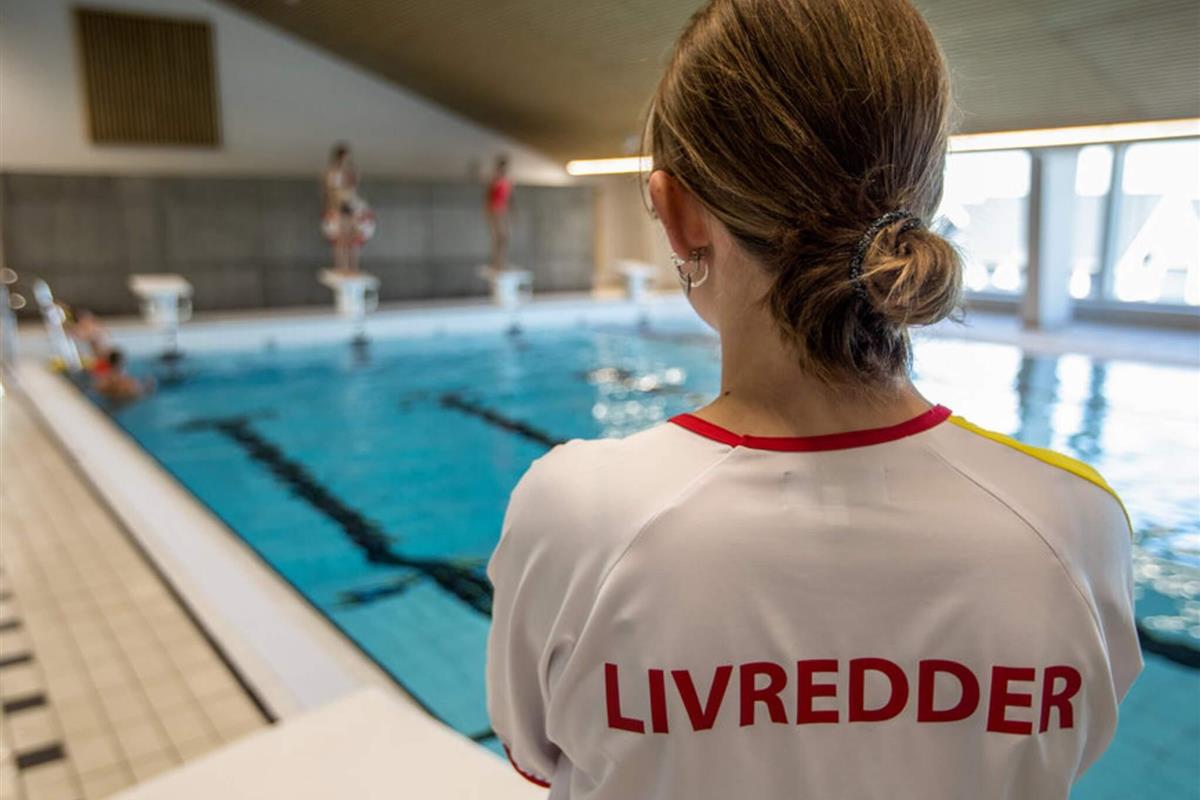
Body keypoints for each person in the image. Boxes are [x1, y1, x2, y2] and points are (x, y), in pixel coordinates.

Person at [485, 2, 1141, 799]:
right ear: (923, 197)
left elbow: (537, 755)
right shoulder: (1074, 524)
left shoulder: (576, 516)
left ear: (678, 213)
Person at [323, 142, 362, 273]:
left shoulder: (351, 171)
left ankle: (353, 267)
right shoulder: (333, 172)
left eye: (348, 158)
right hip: (339, 205)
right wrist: (331, 207)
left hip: (351, 204)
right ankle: (341, 267)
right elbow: (330, 191)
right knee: (341, 237)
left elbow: (354, 188)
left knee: (353, 236)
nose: (346, 161)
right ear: (339, 158)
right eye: (344, 158)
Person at [484, 155, 513, 272]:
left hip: (503, 211)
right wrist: (488, 212)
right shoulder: (495, 180)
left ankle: (501, 261)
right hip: (495, 211)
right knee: (499, 238)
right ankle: (496, 262)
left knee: (504, 238)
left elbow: (508, 198)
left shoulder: (506, 181)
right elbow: (488, 197)